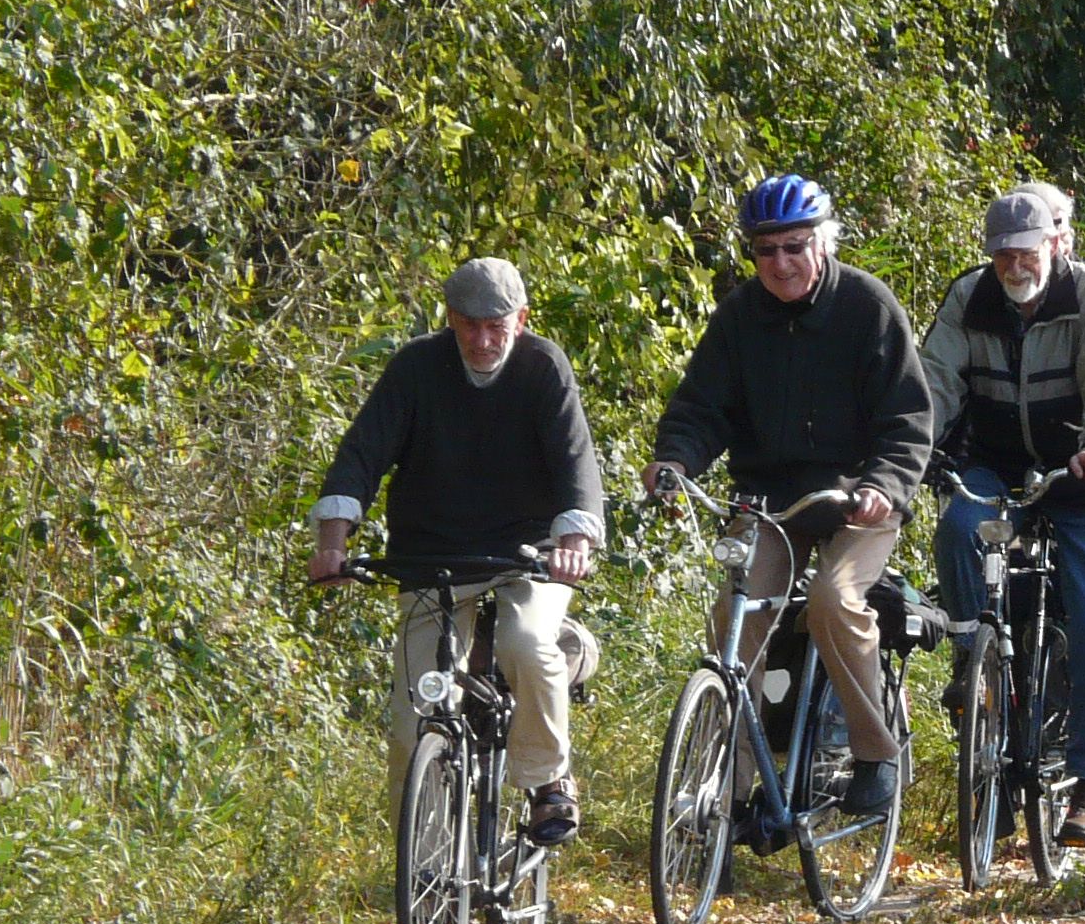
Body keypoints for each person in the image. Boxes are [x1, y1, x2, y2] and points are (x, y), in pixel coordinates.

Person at [645, 174, 936, 820]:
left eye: (794, 246)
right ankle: (731, 787)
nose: (779, 262)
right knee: (734, 616)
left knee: (834, 600)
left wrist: (882, 486)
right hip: (772, 502)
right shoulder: (740, 316)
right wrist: (675, 460)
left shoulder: (869, 307)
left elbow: (907, 420)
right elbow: (701, 407)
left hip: (858, 498)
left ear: (824, 243)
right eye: (765, 250)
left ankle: (874, 751)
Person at [310, 256, 605, 851]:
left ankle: (548, 782)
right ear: (450, 320)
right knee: (410, 723)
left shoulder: (544, 366)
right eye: (469, 324)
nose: (482, 339)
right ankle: (422, 881)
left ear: (520, 319)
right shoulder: (417, 368)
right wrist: (333, 541)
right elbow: (362, 453)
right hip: (432, 554)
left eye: (496, 325)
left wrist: (574, 541)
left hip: (529, 554)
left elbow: (576, 462)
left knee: (526, 642)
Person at [924, 183, 1085, 845]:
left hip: (1081, 473)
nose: (1015, 267)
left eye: (1026, 252)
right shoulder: (970, 298)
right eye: (1002, 257)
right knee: (959, 529)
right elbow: (933, 380)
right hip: (996, 464)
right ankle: (974, 657)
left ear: (1056, 244)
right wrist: (912, 451)